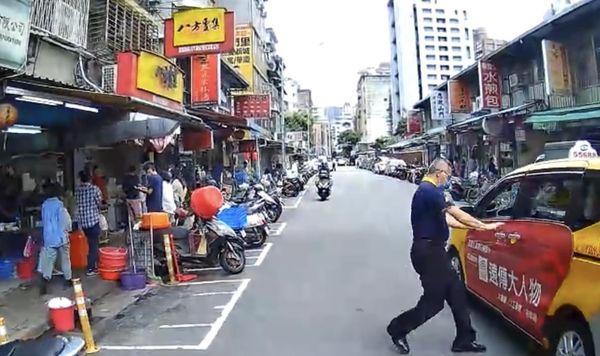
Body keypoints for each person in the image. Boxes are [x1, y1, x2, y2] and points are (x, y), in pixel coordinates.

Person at [387, 158, 503, 354]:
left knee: (457, 292)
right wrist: (484, 226)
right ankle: (397, 328)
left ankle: (464, 339)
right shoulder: (430, 191)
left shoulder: (429, 192)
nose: (447, 179)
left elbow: (449, 219)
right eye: (447, 175)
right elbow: (456, 213)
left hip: (435, 252)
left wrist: (473, 227)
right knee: (434, 302)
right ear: (439, 173)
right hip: (429, 253)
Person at [39, 184, 72, 295]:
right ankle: (68, 280)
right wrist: (68, 229)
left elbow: (44, 221)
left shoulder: (44, 206)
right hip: (61, 237)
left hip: (49, 238)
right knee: (65, 259)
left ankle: (45, 280)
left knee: (48, 261)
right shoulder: (60, 205)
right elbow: (66, 220)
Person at [75, 170, 102, 276]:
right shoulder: (94, 189)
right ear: (90, 178)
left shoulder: (77, 191)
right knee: (93, 245)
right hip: (93, 220)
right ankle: (91, 268)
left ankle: (95, 264)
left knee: (90, 244)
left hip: (83, 222)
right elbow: (99, 203)